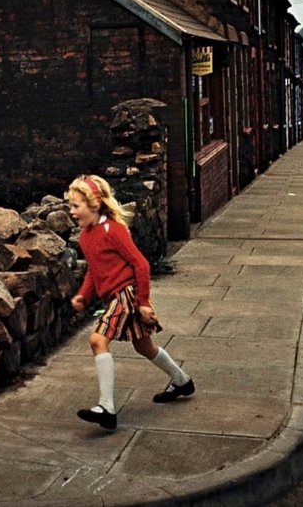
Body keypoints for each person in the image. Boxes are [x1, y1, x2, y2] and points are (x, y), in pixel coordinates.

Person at [67, 174, 194, 430]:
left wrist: (144, 302)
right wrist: (84, 294)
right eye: (70, 206)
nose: (72, 212)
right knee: (144, 346)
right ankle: (182, 381)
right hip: (115, 296)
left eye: (76, 206)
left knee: (97, 340)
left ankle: (107, 408)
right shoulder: (86, 236)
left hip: (127, 293)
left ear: (95, 204)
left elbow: (141, 264)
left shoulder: (112, 230)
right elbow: (95, 270)